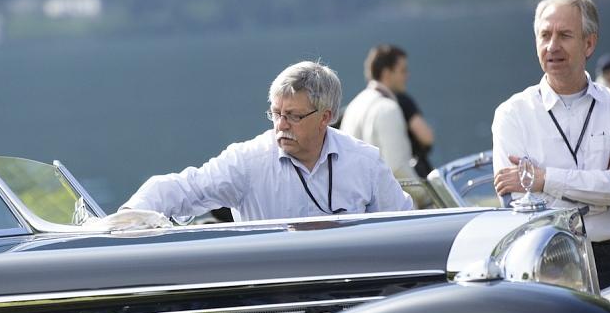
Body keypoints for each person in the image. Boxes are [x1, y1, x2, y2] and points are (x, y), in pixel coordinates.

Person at [122, 60, 412, 221]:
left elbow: (404, 226)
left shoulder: (365, 163)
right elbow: (185, 188)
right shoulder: (248, 161)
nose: (281, 126)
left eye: (293, 116)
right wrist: (128, 218)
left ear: (325, 117)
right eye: (275, 114)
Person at [492, 0, 610, 289]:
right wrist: (602, 190)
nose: (552, 46)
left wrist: (544, 180)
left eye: (565, 35)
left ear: (589, 43)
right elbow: (519, 204)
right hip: (543, 263)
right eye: (545, 35)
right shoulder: (512, 114)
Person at [339, 45, 420, 181]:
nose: (407, 76)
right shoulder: (388, 108)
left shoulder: (354, 105)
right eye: (403, 70)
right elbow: (397, 168)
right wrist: (427, 196)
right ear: (386, 73)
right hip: (385, 201)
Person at [396, 91, 435, 177]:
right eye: (402, 75)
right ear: (387, 76)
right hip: (412, 171)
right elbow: (426, 137)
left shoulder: (363, 102)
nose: (406, 77)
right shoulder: (401, 100)